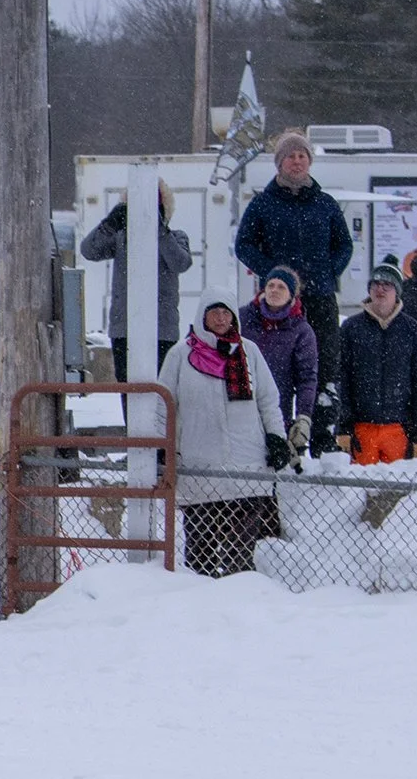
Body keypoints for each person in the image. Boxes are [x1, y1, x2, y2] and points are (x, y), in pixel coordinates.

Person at [234, 130, 353, 452]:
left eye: (302, 155)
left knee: (323, 368)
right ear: (279, 163)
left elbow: (344, 245)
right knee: (276, 367)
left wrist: (329, 271)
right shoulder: (263, 204)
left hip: (320, 298)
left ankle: (322, 436)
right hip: (275, 305)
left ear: (309, 161)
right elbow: (243, 245)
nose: (297, 161)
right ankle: (276, 434)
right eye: (291, 155)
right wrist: (273, 272)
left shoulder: (326, 204)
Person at [153, 299, 288, 577]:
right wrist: (161, 447)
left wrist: (276, 436)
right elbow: (164, 405)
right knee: (200, 557)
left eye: (226, 312)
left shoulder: (249, 352)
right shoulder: (180, 355)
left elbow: (268, 401)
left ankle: (239, 604)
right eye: (214, 311)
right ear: (202, 315)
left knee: (240, 560)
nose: (220, 317)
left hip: (246, 472)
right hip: (200, 471)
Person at [81, 181, 193, 380]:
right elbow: (89, 251)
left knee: (161, 391)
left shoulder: (175, 237)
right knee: (129, 391)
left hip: (162, 330)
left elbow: (181, 263)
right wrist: (109, 224)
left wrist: (158, 229)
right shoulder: (121, 240)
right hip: (124, 329)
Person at [336, 263, 417, 464]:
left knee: (399, 491)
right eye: (375, 284)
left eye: (386, 285)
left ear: (396, 292)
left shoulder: (412, 330)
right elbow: (342, 378)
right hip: (362, 428)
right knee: (356, 491)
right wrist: (344, 427)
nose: (380, 289)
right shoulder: (351, 328)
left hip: (399, 428)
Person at [238, 265, 317, 462]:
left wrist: (303, 416)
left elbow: (307, 377)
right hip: (240, 402)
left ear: (292, 295)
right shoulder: (243, 318)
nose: (274, 290)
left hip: (278, 408)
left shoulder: (301, 330)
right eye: (270, 285)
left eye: (281, 287)